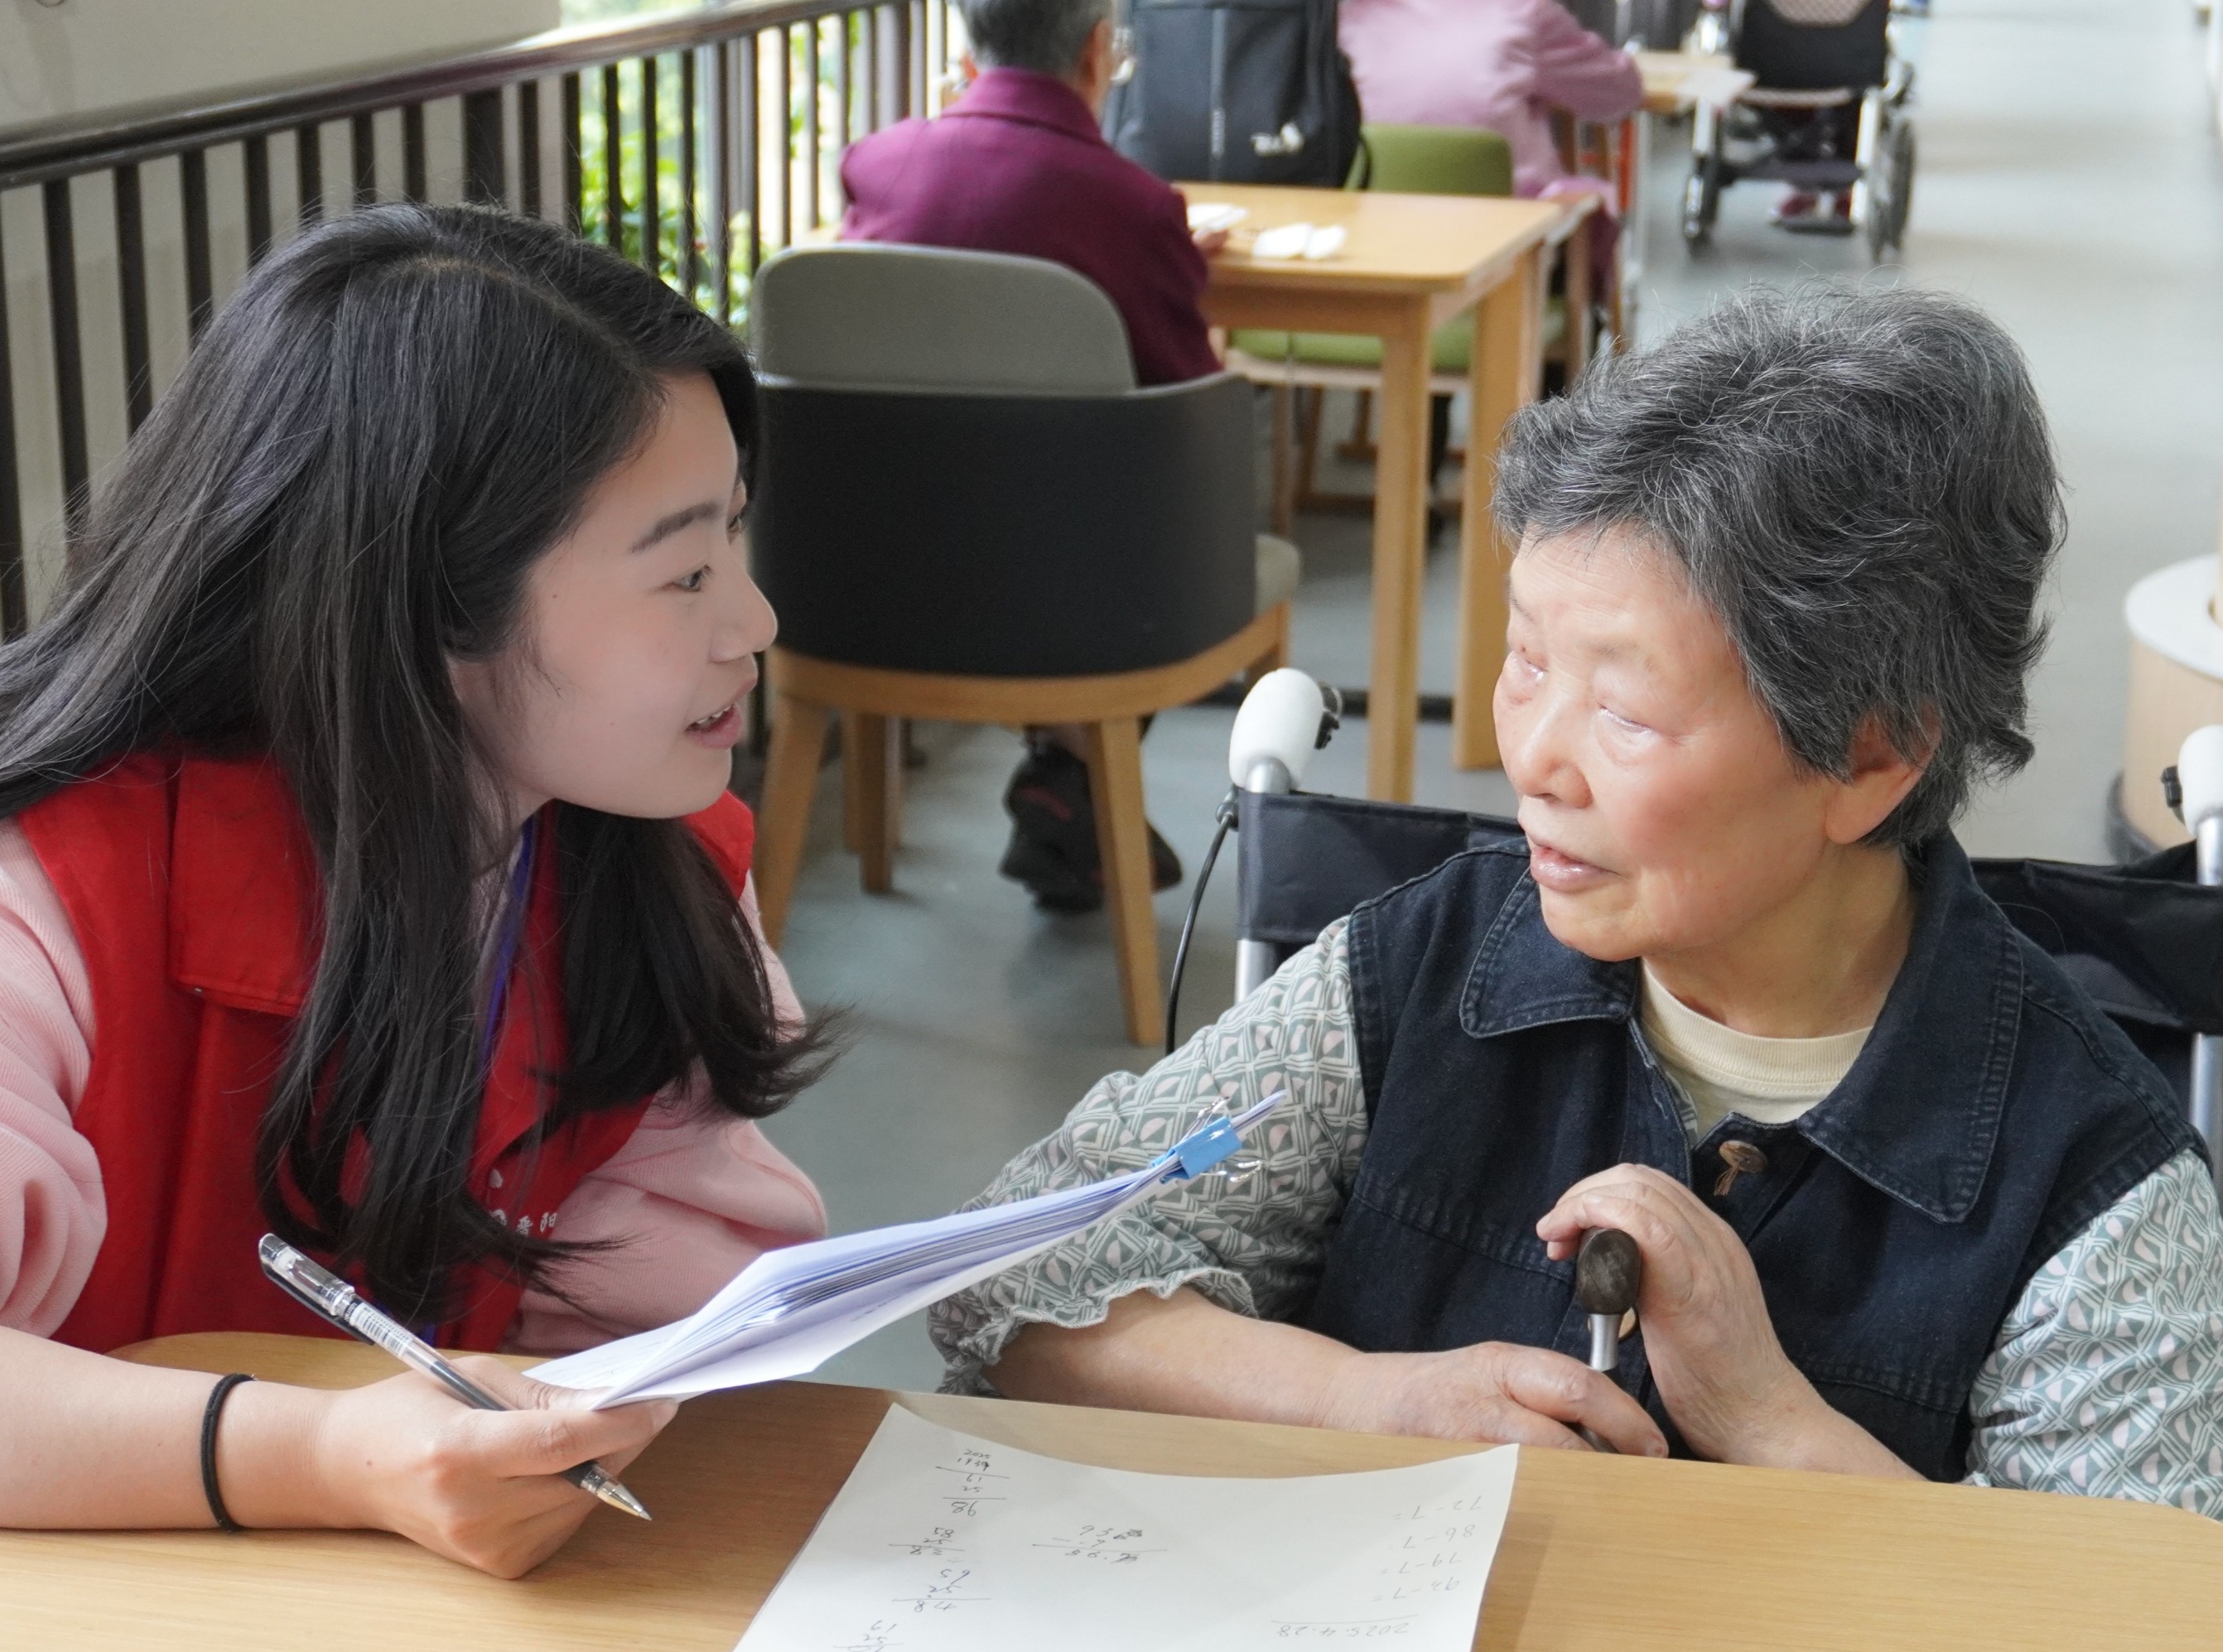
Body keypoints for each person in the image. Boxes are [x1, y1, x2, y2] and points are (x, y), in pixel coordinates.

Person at [933, 284, 2223, 1516]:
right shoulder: (1416, 974)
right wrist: (1375, 1404)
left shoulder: (2094, 1182)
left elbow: (2138, 1620)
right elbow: (1009, 1273)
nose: (1534, 760)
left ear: (1874, 755)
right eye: (1526, 660)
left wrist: (1773, 1422)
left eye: (1624, 708)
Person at [0, 205, 834, 1577]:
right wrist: (323, 1456)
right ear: (430, 600)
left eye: (736, 538)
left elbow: (653, 1317)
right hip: (72, 1628)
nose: (755, 621)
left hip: (390, 1619)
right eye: (685, 570)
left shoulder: (637, 854)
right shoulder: (13, 895)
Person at [840, 0, 1213, 913]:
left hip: (863, 583)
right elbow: (1187, 416)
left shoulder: (876, 166)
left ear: (970, 53)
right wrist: (1170, 259)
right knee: (1137, 508)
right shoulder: (1134, 206)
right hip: (1070, 606)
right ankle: (1068, 779)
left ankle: (1063, 786)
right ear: (1096, 50)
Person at [1337, 0, 1642, 281]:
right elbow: (1620, 93)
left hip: (1363, 259)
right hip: (1508, 264)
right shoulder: (1522, 12)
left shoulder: (1343, 16)